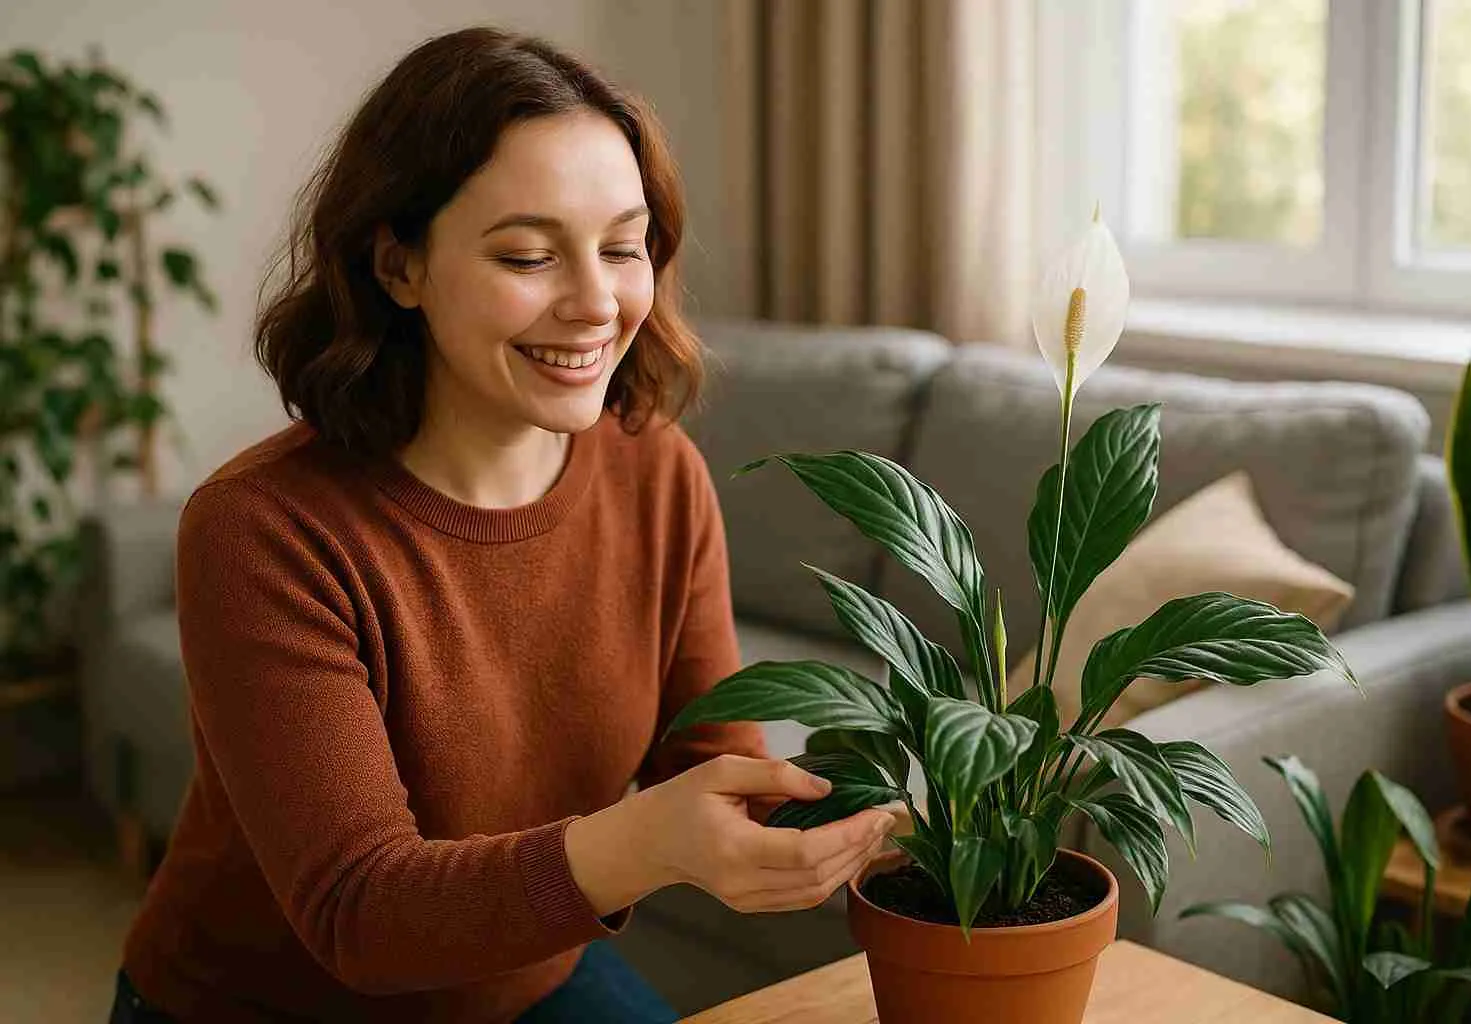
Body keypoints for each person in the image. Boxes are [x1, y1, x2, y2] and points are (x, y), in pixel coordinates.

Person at [109, 26, 897, 1024]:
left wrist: (912, 800)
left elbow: (712, 758)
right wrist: (647, 841)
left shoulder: (656, 472)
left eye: (623, 245)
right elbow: (363, 912)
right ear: (400, 266)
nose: (597, 302)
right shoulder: (264, 529)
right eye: (528, 254)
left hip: (529, 984)